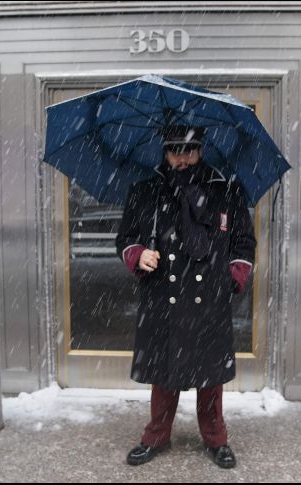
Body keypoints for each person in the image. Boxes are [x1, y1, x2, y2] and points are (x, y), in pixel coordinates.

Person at [115, 125, 256, 469]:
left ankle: (216, 438)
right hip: (164, 294)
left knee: (210, 378)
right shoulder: (145, 191)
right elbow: (125, 238)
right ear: (164, 152)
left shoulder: (227, 192)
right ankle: (157, 435)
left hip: (209, 297)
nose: (182, 157)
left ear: (201, 150)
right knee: (164, 373)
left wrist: (232, 280)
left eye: (189, 150)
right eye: (175, 150)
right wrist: (138, 256)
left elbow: (243, 243)